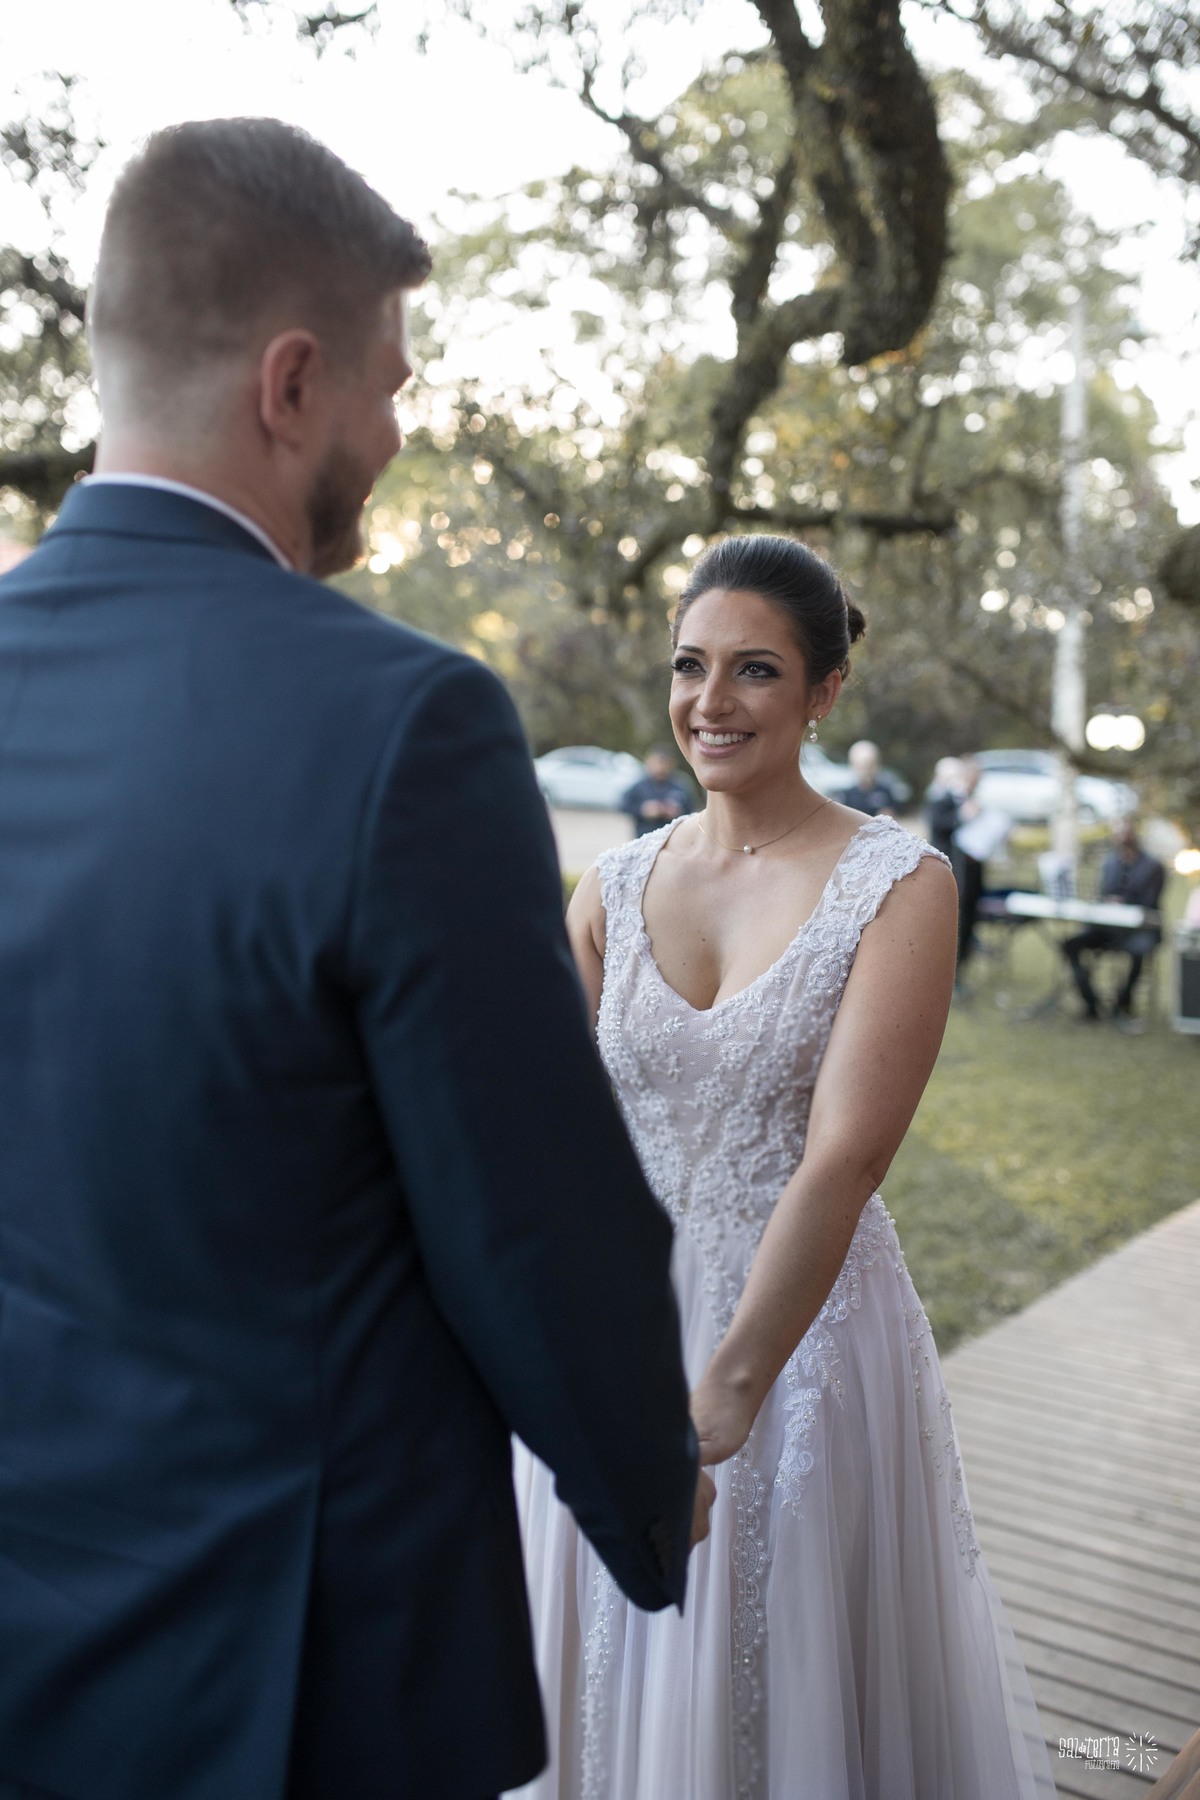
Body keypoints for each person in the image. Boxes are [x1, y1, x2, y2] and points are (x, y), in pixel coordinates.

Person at [0, 120, 711, 1800]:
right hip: (291, 1655)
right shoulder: (404, 725)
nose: (395, 434)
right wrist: (646, 1480)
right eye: (390, 387)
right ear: (292, 383)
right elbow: (526, 1208)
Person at [510, 536, 1055, 1800]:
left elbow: (846, 1157)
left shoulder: (900, 883)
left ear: (825, 690)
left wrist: (728, 1397)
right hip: (616, 1333)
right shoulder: (614, 884)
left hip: (799, 1338)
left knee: (773, 1676)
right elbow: (540, 1131)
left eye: (754, 669)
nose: (711, 701)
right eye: (689, 666)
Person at [1063, 815, 1165, 1029]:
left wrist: (1124, 902)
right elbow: (1103, 894)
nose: (1122, 836)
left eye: (1127, 832)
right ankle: (1091, 1002)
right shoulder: (1110, 863)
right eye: (1119, 832)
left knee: (1137, 953)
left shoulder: (1153, 866)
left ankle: (1123, 1004)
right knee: (1070, 945)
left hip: (1140, 930)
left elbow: (1150, 902)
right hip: (1108, 928)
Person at [927, 753, 987, 973]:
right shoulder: (939, 798)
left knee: (967, 916)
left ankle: (962, 963)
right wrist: (963, 816)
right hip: (951, 864)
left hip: (970, 865)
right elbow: (939, 825)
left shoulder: (966, 798)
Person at [620, 746, 693, 837]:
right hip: (644, 837)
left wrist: (677, 812)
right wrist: (643, 810)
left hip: (672, 838)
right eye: (656, 763)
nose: (660, 768)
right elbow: (623, 805)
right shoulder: (639, 785)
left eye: (664, 763)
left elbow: (692, 811)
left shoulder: (681, 785)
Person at [841, 738, 899, 816]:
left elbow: (890, 813)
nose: (866, 770)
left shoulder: (885, 791)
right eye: (863, 766)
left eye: (870, 765)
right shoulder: (848, 795)